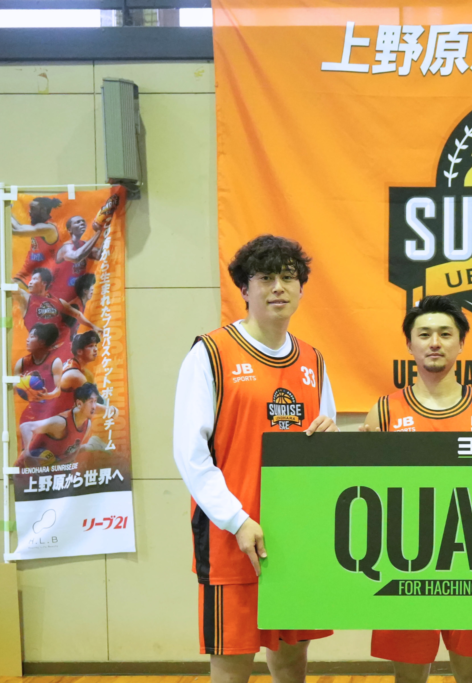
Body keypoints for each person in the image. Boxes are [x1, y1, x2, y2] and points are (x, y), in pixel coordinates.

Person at [172, 235, 338, 681]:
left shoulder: (313, 360)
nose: (278, 287)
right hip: (232, 537)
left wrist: (330, 439)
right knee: (232, 664)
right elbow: (190, 453)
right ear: (244, 289)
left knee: (292, 659)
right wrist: (237, 519)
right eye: (265, 278)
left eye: (288, 277)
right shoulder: (210, 353)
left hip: (295, 537)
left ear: (301, 288)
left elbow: (323, 444)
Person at [361, 295, 472, 683]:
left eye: (445, 334)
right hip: (405, 561)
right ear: (409, 345)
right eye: (424, 334)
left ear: (461, 343)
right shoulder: (384, 411)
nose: (434, 342)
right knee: (409, 680)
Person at [50, 194, 116, 302]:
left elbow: (99, 255)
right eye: (77, 222)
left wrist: (106, 228)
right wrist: (98, 232)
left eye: (83, 222)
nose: (82, 223)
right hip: (60, 297)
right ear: (70, 229)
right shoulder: (66, 247)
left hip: (77, 295)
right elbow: (77, 256)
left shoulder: (84, 245)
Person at [17, 382, 101, 467]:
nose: (94, 407)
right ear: (79, 404)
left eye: (95, 401)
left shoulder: (87, 425)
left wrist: (53, 467)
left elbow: (73, 455)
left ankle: (92, 445)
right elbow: (26, 426)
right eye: (91, 401)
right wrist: (27, 456)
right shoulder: (61, 423)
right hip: (24, 469)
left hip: (45, 471)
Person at [13, 322, 64, 424]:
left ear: (42, 342)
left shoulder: (55, 362)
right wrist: (19, 383)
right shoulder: (21, 363)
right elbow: (13, 388)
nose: (27, 340)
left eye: (31, 337)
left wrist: (47, 396)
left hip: (51, 412)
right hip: (31, 413)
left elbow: (59, 390)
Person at [11, 196, 62, 287]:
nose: (30, 212)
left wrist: (5, 209)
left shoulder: (49, 228)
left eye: (33, 209)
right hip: (28, 272)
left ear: (43, 210)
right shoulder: (38, 225)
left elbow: (17, 230)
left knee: (11, 290)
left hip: (42, 276)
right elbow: (18, 227)